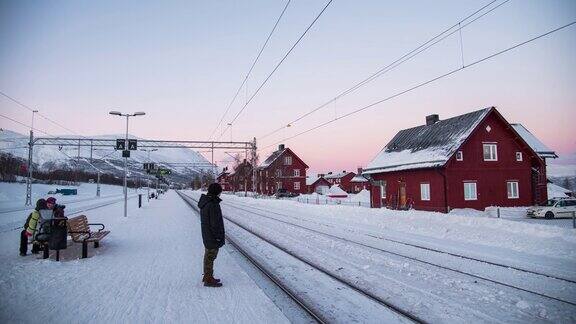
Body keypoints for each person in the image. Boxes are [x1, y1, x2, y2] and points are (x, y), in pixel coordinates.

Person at [198, 183, 225, 287]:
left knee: (208, 256)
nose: (220, 194)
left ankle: (207, 276)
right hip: (212, 236)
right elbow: (215, 223)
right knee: (210, 257)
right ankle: (208, 279)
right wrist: (218, 236)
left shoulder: (206, 202)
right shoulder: (213, 204)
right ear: (216, 192)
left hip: (207, 234)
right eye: (219, 191)